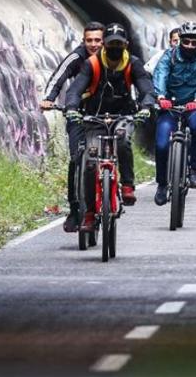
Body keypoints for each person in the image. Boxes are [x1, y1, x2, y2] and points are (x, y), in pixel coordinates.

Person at [62, 23, 155, 226]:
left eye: (119, 44)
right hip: (94, 118)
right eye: (111, 43)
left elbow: (146, 89)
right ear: (104, 44)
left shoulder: (133, 63)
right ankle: (88, 213)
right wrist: (71, 107)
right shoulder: (92, 64)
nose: (114, 47)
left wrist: (146, 106)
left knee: (122, 141)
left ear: (126, 45)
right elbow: (75, 90)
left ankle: (128, 185)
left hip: (123, 116)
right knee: (88, 162)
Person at [39, 21, 104, 233]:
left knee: (111, 150)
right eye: (89, 40)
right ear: (83, 41)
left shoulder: (114, 57)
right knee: (77, 159)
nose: (93, 44)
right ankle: (76, 209)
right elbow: (58, 77)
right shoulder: (77, 57)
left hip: (104, 114)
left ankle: (112, 185)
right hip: (78, 113)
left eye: (97, 40)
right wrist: (49, 98)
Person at [152, 21, 196, 203]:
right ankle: (162, 183)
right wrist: (161, 96)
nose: (189, 46)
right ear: (180, 41)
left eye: (194, 43)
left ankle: (195, 170)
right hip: (170, 106)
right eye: (186, 42)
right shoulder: (169, 55)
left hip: (193, 105)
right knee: (162, 144)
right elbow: (161, 74)